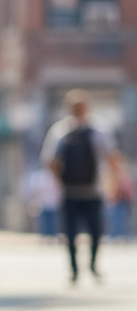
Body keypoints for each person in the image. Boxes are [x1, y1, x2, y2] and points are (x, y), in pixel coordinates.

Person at [42, 89, 116, 282]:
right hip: (73, 191)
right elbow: (51, 162)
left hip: (90, 190)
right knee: (74, 233)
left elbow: (112, 158)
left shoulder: (97, 130)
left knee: (93, 232)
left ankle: (90, 265)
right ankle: (76, 269)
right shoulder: (62, 131)